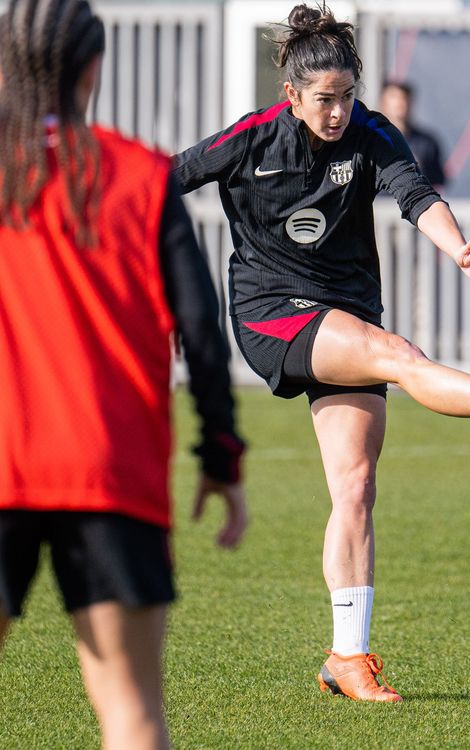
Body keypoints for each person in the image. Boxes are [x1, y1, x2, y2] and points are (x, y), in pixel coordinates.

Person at [172, 3, 470, 703]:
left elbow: (415, 196)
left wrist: (458, 248)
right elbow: (161, 181)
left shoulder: (370, 132)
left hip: (347, 311)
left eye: (346, 97)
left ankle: (348, 657)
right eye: (324, 100)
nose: (337, 113)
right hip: (272, 314)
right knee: (397, 354)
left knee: (357, 488)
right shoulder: (251, 138)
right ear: (292, 97)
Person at [0, 1, 248, 748]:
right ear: (94, 68)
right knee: (132, 713)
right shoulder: (140, 176)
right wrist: (222, 458)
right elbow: (201, 332)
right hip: (111, 470)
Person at [379, 80, 447, 189]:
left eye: (404, 98)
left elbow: (437, 183)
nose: (400, 103)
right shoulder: (370, 140)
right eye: (394, 97)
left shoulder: (426, 143)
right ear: (383, 102)